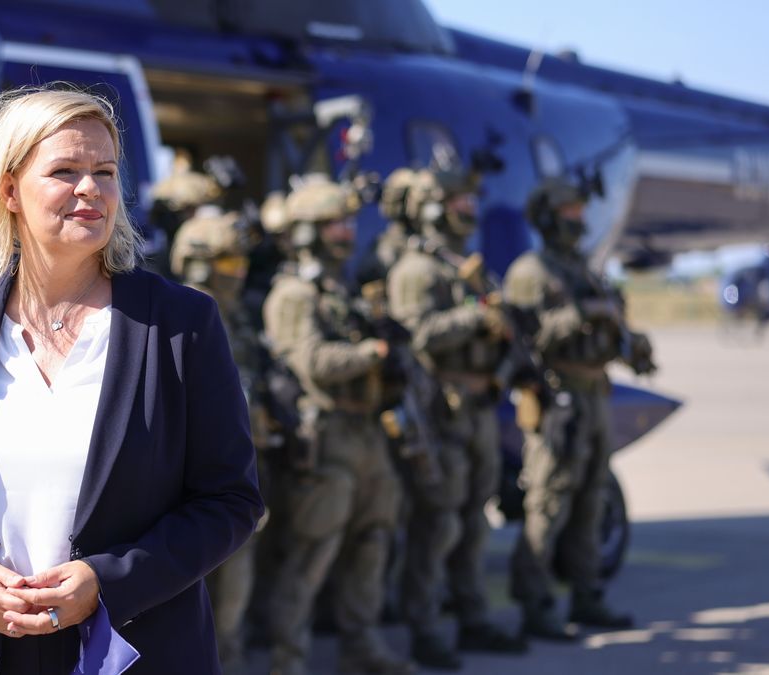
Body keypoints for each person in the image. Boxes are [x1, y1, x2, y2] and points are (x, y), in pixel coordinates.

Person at [0, 87, 264, 674]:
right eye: (65, 170)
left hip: (134, 651)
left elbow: (230, 500)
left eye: (104, 171)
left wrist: (107, 582)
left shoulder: (182, 324)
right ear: (9, 190)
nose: (91, 189)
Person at [262, 174, 410, 675]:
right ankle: (288, 660)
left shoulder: (341, 288)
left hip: (365, 432)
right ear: (306, 232)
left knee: (372, 543)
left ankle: (361, 646)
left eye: (348, 223)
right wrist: (373, 352)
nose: (346, 233)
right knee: (312, 552)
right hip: (325, 438)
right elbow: (313, 362)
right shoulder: (294, 295)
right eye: (333, 225)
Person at [504, 177, 655, 640]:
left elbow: (613, 323)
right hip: (558, 398)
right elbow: (524, 339)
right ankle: (536, 602)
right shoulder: (532, 271)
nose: (579, 220)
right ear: (549, 217)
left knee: (591, 500)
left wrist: (632, 344)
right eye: (569, 213)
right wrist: (584, 314)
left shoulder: (584, 269)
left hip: (594, 396)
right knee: (549, 502)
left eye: (579, 213)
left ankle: (586, 595)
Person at [387, 167, 526, 669]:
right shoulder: (417, 271)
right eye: (457, 203)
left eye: (470, 203)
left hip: (479, 408)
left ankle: (472, 618)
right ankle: (424, 626)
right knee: (438, 523)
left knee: (473, 520)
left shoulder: (464, 267)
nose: (468, 212)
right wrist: (476, 318)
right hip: (440, 413)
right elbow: (416, 337)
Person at [170, 207, 266, 674]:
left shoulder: (233, 314)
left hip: (234, 471)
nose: (239, 273)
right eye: (228, 264)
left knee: (238, 589)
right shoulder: (185, 316)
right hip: (192, 488)